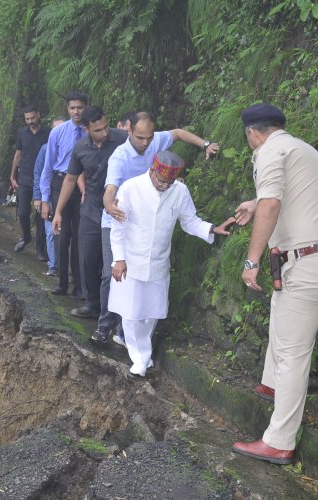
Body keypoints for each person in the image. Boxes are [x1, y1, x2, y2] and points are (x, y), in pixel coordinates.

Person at [231, 103, 318, 465]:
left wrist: (251, 261)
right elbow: (288, 194)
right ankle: (272, 384)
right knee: (279, 312)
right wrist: (254, 202)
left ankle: (279, 440)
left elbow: (273, 203)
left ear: (252, 133)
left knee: (292, 352)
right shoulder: (298, 147)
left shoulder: (267, 151)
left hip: (311, 263)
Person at [109, 151, 234, 377]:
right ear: (152, 171)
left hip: (158, 261)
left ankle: (142, 356)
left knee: (151, 313)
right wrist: (119, 259)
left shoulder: (179, 191)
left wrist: (212, 229)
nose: (164, 186)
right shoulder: (130, 188)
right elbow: (118, 226)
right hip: (131, 261)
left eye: (169, 182)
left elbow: (189, 221)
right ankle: (139, 360)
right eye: (161, 181)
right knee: (130, 313)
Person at [98, 111, 219, 345]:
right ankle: (105, 325)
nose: (145, 143)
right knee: (112, 274)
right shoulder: (120, 157)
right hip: (120, 216)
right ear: (128, 131)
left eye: (149, 138)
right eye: (140, 138)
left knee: (147, 277)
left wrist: (205, 144)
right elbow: (110, 188)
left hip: (149, 219)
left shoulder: (157, 143)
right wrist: (109, 206)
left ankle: (129, 333)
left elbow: (178, 133)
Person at [52, 106, 126, 322]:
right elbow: (70, 179)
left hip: (119, 209)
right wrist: (58, 212)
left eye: (106, 127)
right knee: (87, 259)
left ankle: (114, 310)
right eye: (98, 130)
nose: (105, 133)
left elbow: (146, 152)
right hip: (92, 209)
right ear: (86, 130)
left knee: (110, 264)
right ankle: (92, 304)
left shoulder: (122, 139)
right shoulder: (81, 147)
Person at [39, 91, 88, 297]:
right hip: (60, 182)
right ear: (67, 110)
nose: (76, 111)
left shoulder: (91, 131)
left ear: (85, 108)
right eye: (72, 108)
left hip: (84, 186)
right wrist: (44, 199)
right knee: (62, 234)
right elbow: (47, 167)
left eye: (80, 107)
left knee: (80, 235)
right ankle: (61, 281)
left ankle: (79, 284)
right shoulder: (57, 133)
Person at [10, 105, 50, 254]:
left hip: (42, 178)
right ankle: (26, 237)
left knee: (41, 215)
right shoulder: (21, 133)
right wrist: (13, 175)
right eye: (27, 119)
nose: (30, 121)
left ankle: (40, 249)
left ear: (38, 115)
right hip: (25, 177)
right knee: (22, 212)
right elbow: (18, 154)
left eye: (32, 118)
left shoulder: (48, 133)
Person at [33, 117, 66, 276]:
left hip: (65, 193)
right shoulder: (45, 149)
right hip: (48, 194)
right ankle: (53, 265)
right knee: (50, 231)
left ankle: (65, 267)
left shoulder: (72, 149)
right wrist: (38, 197)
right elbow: (39, 173)